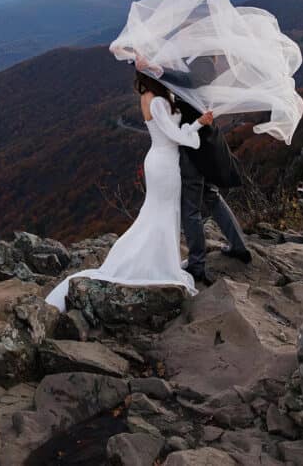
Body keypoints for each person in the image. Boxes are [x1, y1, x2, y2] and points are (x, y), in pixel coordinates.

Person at [44, 71, 215, 312]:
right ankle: (156, 264)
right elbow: (174, 135)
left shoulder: (153, 96)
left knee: (161, 212)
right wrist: (199, 124)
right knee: (163, 212)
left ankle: (159, 260)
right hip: (164, 163)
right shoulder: (156, 101)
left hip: (162, 160)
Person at [136, 54, 252, 286]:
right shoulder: (198, 63)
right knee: (210, 195)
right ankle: (238, 245)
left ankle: (197, 264)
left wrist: (158, 70)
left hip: (194, 147)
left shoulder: (203, 65)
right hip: (202, 141)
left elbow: (190, 80)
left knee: (191, 208)